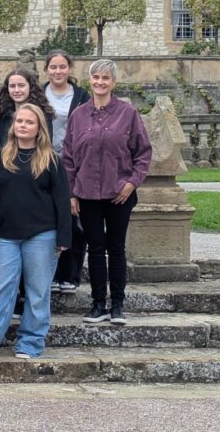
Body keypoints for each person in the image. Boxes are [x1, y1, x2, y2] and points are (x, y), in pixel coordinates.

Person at [0, 104, 71, 362]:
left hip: (42, 234)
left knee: (37, 291)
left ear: (38, 127)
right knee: (0, 288)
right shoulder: (1, 157)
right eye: (19, 121)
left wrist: (64, 237)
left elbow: (62, 200)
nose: (22, 125)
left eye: (29, 122)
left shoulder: (51, 159)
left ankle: (30, 342)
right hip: (7, 235)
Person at [63, 59, 152, 325]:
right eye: (96, 78)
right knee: (95, 248)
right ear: (89, 80)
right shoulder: (78, 116)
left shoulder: (128, 114)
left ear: (113, 82)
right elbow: (68, 157)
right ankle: (98, 303)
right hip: (87, 194)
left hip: (119, 193)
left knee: (116, 248)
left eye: (105, 78)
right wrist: (71, 192)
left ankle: (117, 305)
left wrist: (132, 182)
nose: (100, 82)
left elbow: (143, 152)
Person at [43, 51, 90, 294]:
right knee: (48, 219)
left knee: (73, 218)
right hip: (45, 162)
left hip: (72, 162)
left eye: (62, 67)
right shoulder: (39, 95)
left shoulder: (82, 97)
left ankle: (70, 275)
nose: (58, 71)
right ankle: (52, 273)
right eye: (53, 67)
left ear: (69, 69)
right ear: (46, 69)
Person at [0, 69, 54, 146]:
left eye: (21, 85)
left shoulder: (43, 115)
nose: (16, 90)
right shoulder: (3, 114)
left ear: (30, 87)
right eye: (12, 86)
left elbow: (46, 144)